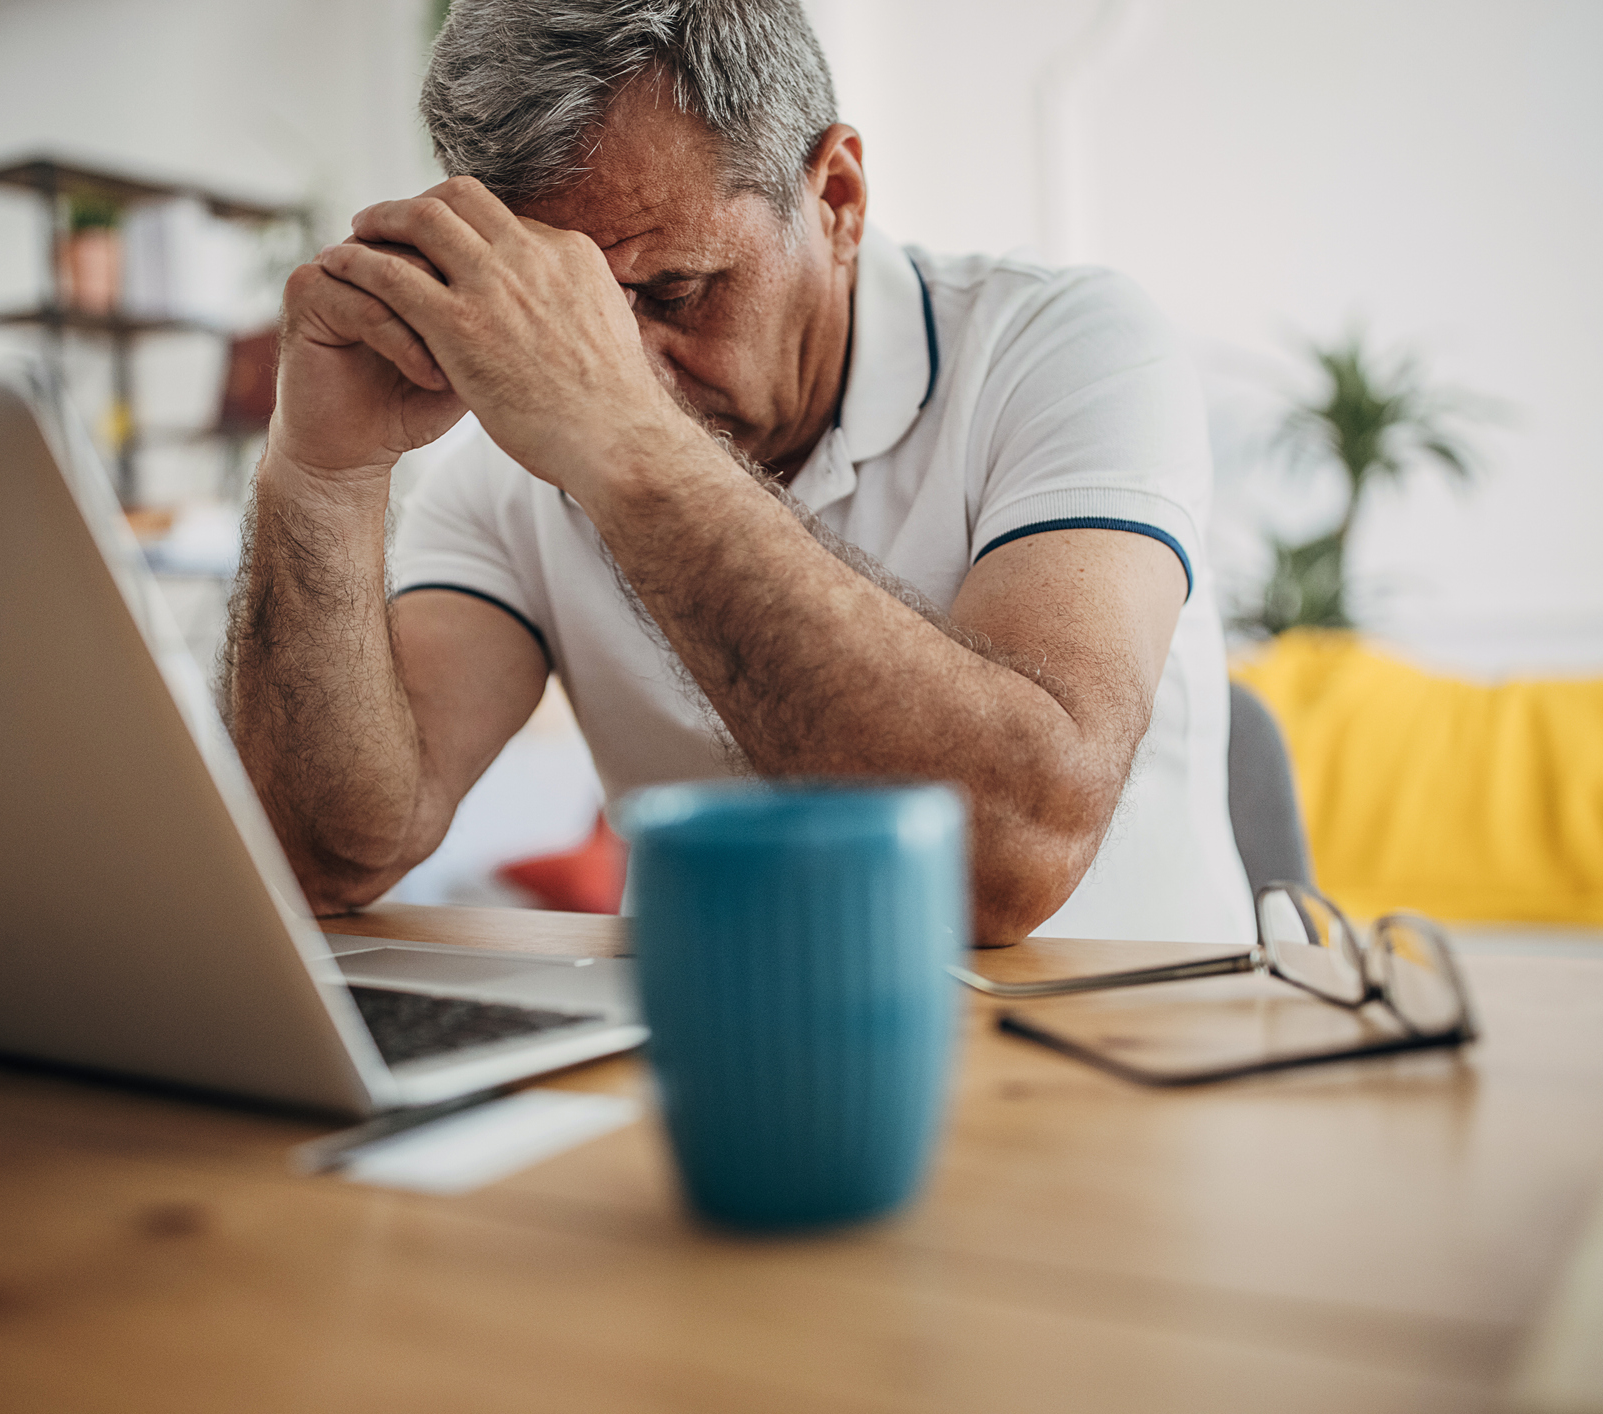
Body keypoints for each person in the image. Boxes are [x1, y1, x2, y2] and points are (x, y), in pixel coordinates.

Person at [223, 0, 1253, 948]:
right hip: (710, 1066)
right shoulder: (510, 463)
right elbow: (318, 856)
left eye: (672, 288)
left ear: (836, 197)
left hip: (1116, 1069)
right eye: (563, 305)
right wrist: (323, 474)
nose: (617, 364)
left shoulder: (1064, 346)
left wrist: (621, 439)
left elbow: (1002, 861)